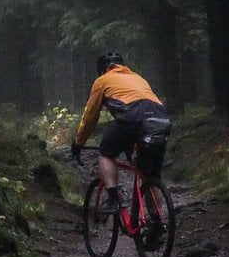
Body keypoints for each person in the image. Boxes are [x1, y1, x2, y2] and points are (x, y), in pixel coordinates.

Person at [71, 52, 171, 214]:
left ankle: (112, 198)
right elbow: (145, 113)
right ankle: (156, 223)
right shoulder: (138, 78)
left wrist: (79, 142)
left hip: (132, 117)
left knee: (106, 154)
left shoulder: (102, 80)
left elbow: (90, 116)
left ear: (103, 69)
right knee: (150, 176)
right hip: (161, 120)